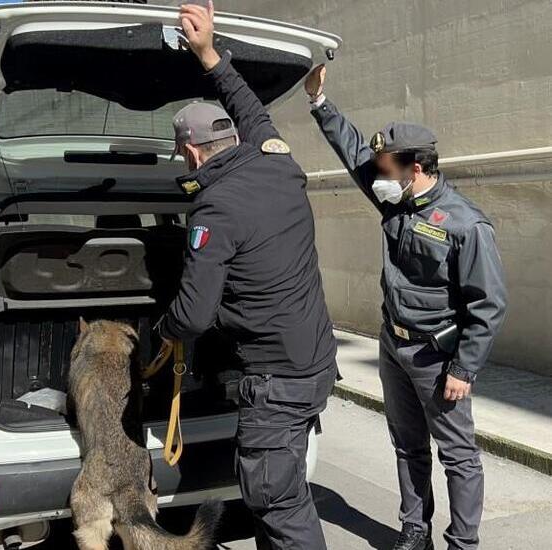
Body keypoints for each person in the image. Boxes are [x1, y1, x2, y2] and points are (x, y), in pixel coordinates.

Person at [305, 64, 507, 550]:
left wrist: (464, 368)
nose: (377, 176)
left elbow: (489, 303)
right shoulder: (396, 202)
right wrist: (319, 103)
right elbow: (355, 153)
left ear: (415, 168)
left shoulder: (465, 225)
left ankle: (462, 542)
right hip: (394, 346)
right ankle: (415, 530)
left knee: (457, 454)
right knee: (407, 445)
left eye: (386, 169)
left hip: (438, 358)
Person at [157, 4, 337, 549]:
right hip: (314, 367)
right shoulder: (276, 161)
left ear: (192, 152)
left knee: (278, 504)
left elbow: (193, 315)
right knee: (281, 495)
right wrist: (208, 52)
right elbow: (248, 106)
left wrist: (161, 332)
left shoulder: (215, 210)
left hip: (277, 385)